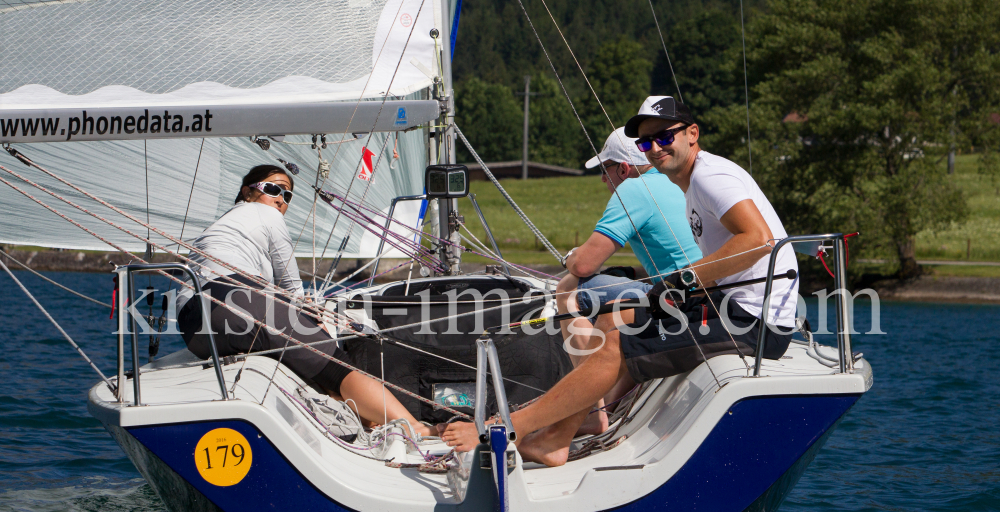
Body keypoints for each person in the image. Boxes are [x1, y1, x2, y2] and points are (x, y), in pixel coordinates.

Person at [440, 97, 799, 465]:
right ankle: (555, 439)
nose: (655, 148)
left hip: (751, 320)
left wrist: (682, 281)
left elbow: (759, 240)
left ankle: (506, 428)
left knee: (614, 346)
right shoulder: (690, 182)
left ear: (692, 134)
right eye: (646, 142)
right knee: (612, 320)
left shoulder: (709, 176)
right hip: (727, 305)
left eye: (664, 137)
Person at [177, 164, 431, 436]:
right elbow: (292, 290)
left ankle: (360, 412)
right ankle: (415, 427)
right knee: (337, 366)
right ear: (247, 192)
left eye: (287, 196)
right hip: (236, 300)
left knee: (296, 349)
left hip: (193, 329)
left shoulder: (217, 229)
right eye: (273, 189)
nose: (280, 199)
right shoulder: (266, 214)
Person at [557, 127, 701, 432]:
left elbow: (583, 265)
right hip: (707, 295)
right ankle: (609, 400)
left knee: (568, 290)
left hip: (681, 301)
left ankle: (590, 409)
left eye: (605, 170)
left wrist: (567, 258)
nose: (602, 179)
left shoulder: (634, 189)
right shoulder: (678, 181)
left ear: (623, 168)